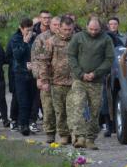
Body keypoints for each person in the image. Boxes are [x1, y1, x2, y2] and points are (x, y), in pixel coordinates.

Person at [66, 16, 115, 150]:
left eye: (96, 29)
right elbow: (71, 55)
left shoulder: (106, 39)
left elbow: (109, 59)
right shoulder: (78, 37)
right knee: (78, 105)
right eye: (91, 29)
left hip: (96, 81)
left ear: (100, 28)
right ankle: (79, 137)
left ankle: (90, 138)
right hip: (79, 79)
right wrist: (81, 73)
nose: (93, 32)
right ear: (86, 27)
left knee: (95, 109)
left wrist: (96, 73)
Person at [41, 16, 76, 145]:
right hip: (57, 82)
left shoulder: (77, 40)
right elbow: (44, 61)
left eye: (70, 29)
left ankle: (74, 133)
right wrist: (44, 80)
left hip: (74, 82)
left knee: (74, 110)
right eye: (65, 29)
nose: (68, 32)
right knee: (60, 111)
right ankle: (63, 134)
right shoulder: (51, 42)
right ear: (60, 28)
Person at [7, 19, 36, 136]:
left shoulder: (36, 38)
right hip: (19, 74)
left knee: (31, 101)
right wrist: (24, 42)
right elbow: (17, 56)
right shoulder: (15, 39)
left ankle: (27, 122)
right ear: (21, 28)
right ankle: (22, 125)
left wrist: (34, 64)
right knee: (22, 101)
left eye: (31, 30)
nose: (29, 32)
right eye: (27, 30)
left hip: (32, 74)